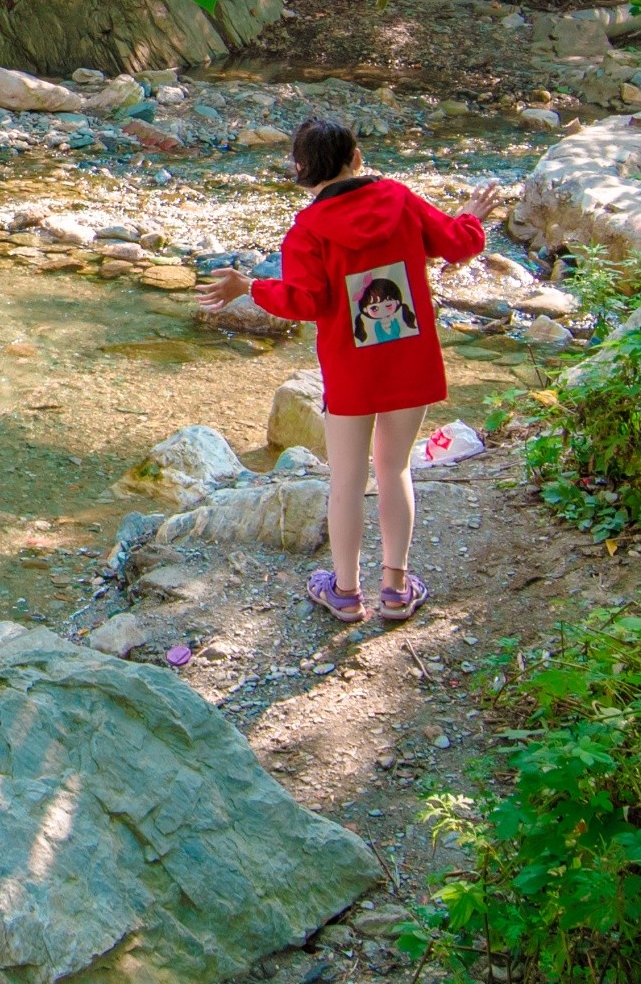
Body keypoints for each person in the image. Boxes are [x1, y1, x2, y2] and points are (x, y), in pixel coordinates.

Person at [201, 115, 492, 624]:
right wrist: (469, 217)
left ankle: (346, 592)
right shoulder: (399, 200)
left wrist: (249, 286)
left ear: (301, 171)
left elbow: (303, 302)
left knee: (347, 482)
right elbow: (459, 244)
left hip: (351, 375)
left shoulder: (308, 231)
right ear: (356, 158)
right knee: (395, 469)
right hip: (410, 363)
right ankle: (396, 590)